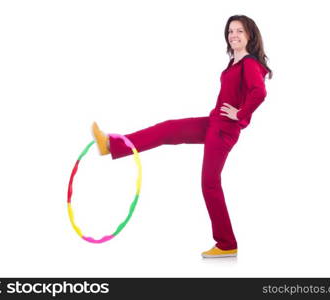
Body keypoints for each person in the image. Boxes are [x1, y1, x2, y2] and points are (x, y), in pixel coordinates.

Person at [92, 15, 272, 258]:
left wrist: (240, 114)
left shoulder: (249, 63)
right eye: (230, 31)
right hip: (213, 122)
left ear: (250, 35)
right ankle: (112, 145)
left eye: (239, 31)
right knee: (167, 129)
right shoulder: (234, 64)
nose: (234, 35)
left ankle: (227, 243)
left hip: (224, 129)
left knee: (209, 183)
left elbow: (259, 92)